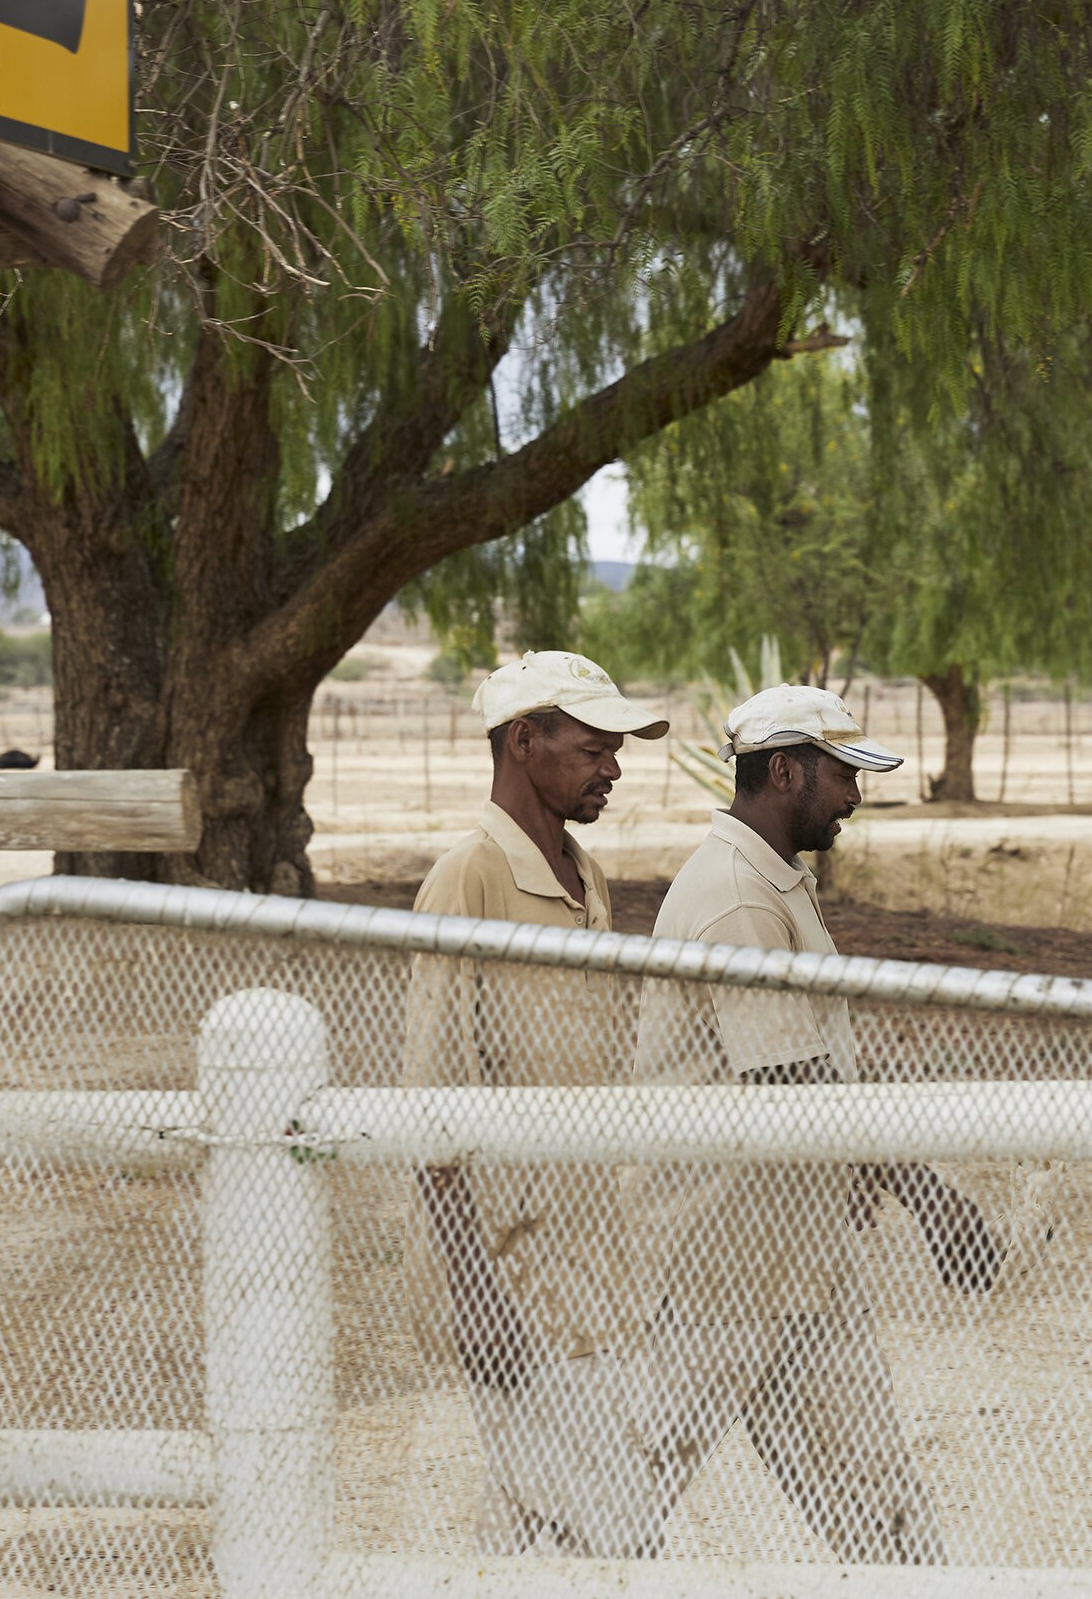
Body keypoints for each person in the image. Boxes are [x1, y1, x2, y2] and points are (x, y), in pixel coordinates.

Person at [622, 683, 1002, 1563]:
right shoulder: (734, 895)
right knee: (622, 1497)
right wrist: (929, 1196)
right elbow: (798, 1082)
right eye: (843, 775)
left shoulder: (768, 878)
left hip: (792, 1254)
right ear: (785, 769)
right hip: (720, 1263)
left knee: (879, 1508)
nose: (854, 795)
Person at [401, 649, 670, 1555]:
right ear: (525, 741)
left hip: (595, 1258)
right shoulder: (468, 879)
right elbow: (431, 1100)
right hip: (515, 1275)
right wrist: (474, 1291)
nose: (613, 769)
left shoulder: (585, 877)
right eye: (594, 749)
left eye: (615, 751)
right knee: (613, 1529)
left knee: (536, 1532)